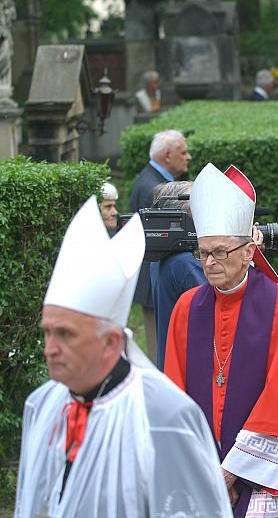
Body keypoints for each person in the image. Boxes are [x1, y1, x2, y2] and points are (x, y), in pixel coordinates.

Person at [15, 196, 231, 517]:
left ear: (111, 341)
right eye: (47, 332)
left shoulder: (165, 416)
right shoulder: (42, 404)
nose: (50, 348)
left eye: (66, 334)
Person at [164, 163, 278, 516]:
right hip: (202, 470)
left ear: (248, 252)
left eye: (220, 252)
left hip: (265, 476)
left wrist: (230, 474)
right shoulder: (186, 308)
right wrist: (206, 471)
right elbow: (174, 396)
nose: (209, 262)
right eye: (203, 252)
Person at [130, 129, 192, 365]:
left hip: (158, 280)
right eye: (183, 152)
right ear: (167, 155)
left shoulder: (155, 181)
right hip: (156, 287)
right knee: (163, 355)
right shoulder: (152, 188)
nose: (188, 157)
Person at [149, 180, 207, 368]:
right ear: (184, 216)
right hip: (189, 367)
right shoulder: (185, 263)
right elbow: (216, 307)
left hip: (171, 361)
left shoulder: (160, 257)